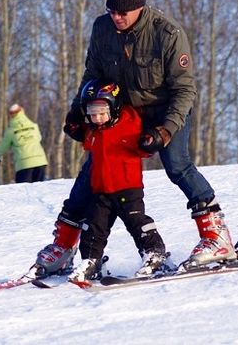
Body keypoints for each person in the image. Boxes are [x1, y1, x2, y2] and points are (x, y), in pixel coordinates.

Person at [34, 0, 236, 277]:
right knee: (94, 170)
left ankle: (216, 237)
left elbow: (185, 90)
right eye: (112, 11)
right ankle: (63, 245)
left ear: (139, 8)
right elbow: (92, 74)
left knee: (177, 165)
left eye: (122, 13)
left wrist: (165, 130)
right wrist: (78, 113)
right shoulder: (102, 29)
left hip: (167, 109)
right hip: (126, 114)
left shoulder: (167, 33)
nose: (116, 17)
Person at [67, 80, 167, 282]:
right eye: (92, 112)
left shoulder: (129, 123)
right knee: (93, 228)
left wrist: (149, 141)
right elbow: (85, 140)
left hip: (127, 189)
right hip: (101, 191)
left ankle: (154, 253)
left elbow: (143, 147)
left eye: (102, 111)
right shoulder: (93, 130)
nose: (97, 117)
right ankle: (90, 261)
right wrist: (74, 127)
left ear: (114, 107)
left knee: (137, 223)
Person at [0, 104, 48, 183]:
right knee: (38, 191)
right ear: (22, 112)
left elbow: (3, 147)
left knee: (23, 192)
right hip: (40, 161)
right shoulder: (34, 126)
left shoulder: (11, 131)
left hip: (24, 164)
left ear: (11, 115)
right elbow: (39, 138)